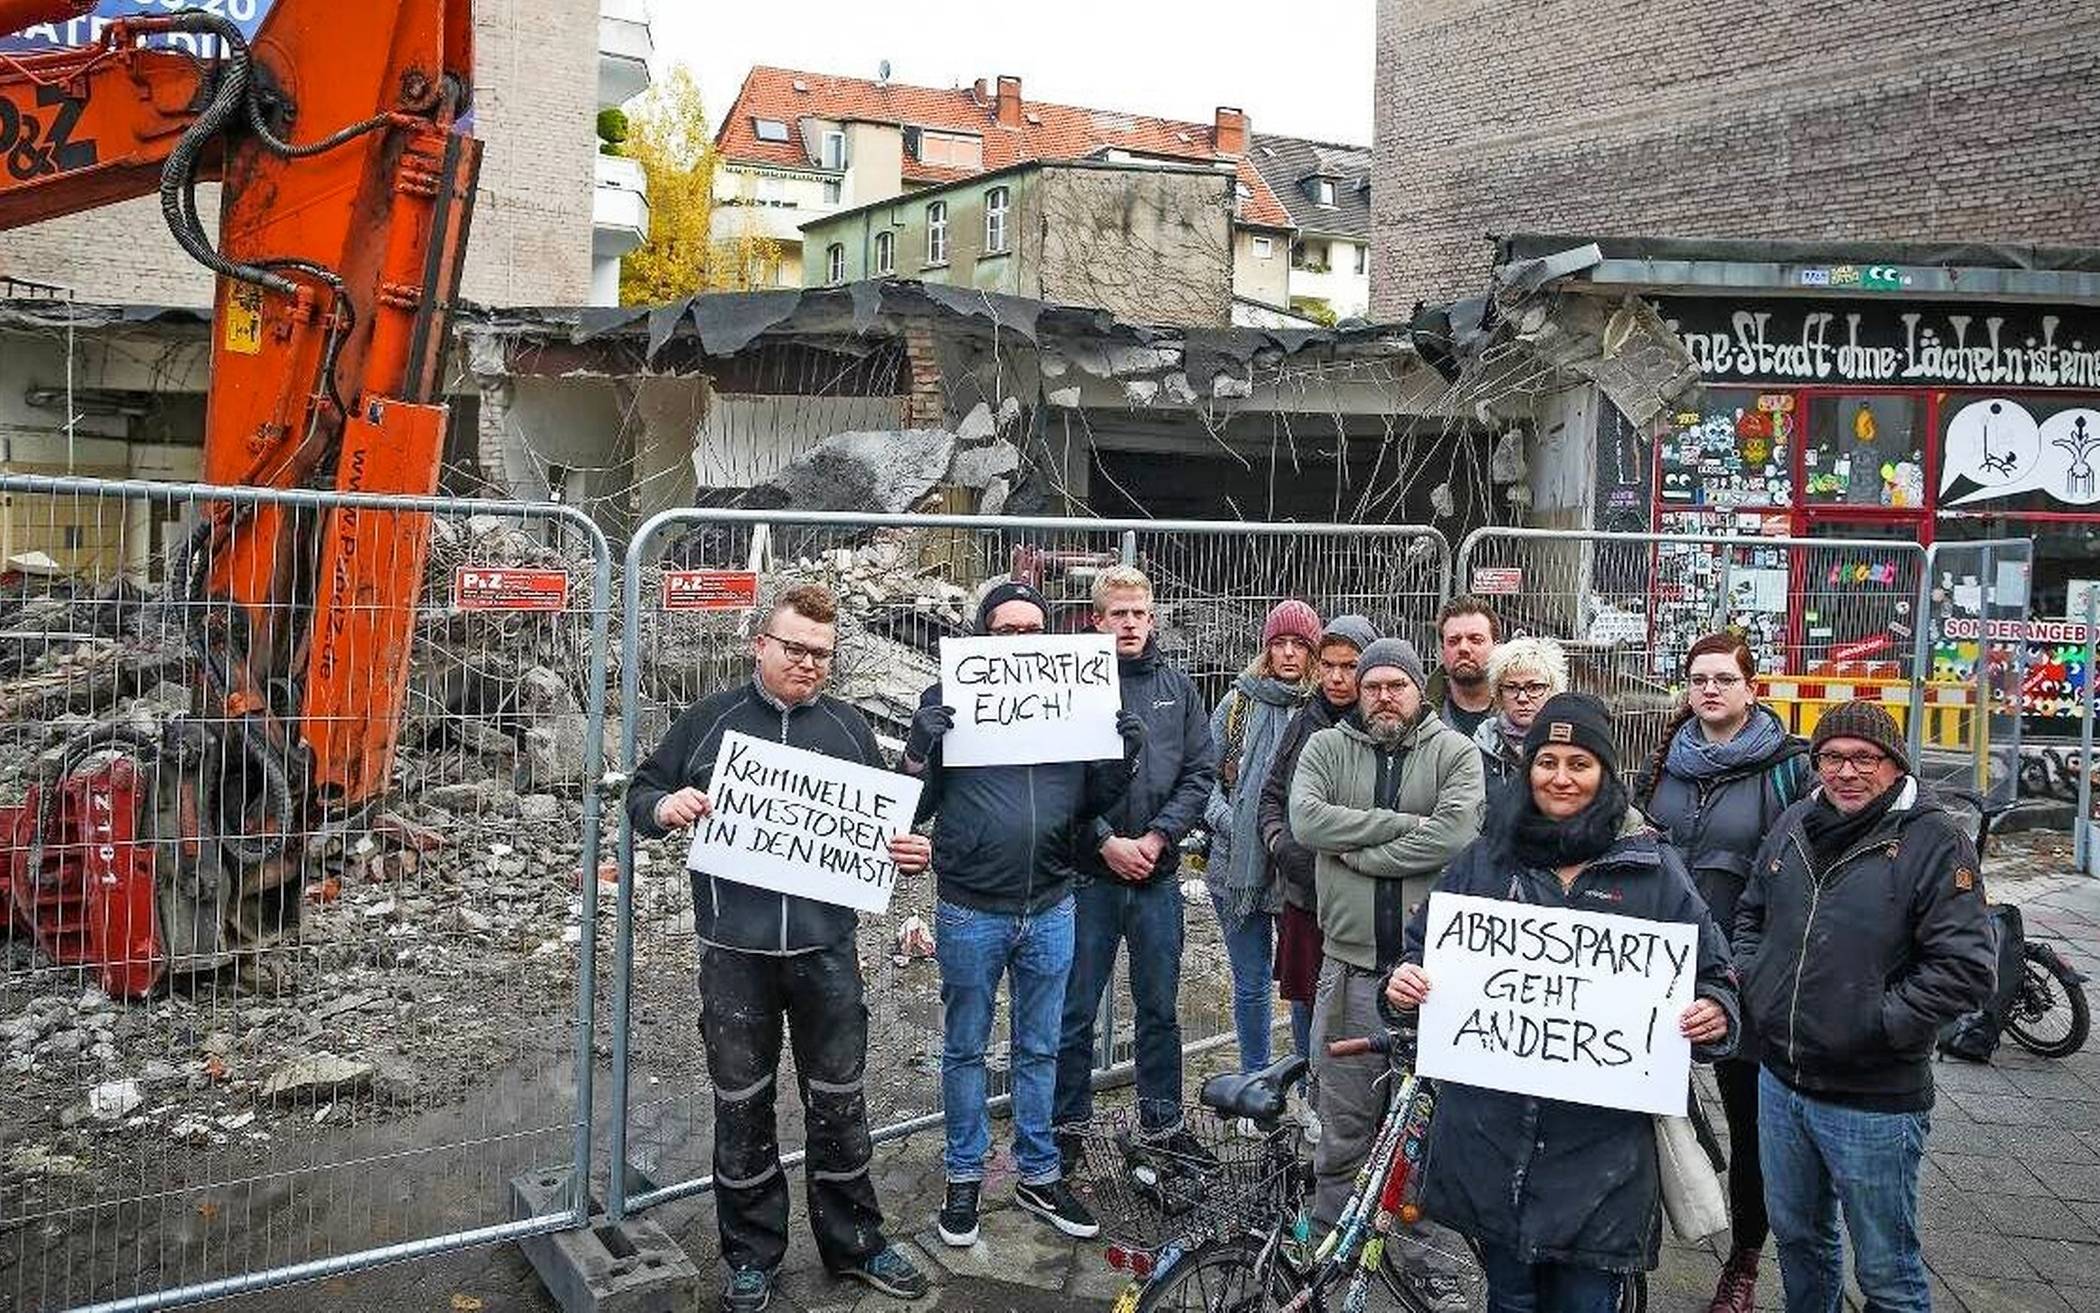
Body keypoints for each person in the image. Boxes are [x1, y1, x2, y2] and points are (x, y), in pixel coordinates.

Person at [627, 584, 932, 1313]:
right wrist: (665, 808)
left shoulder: (850, 727)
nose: (807, 663)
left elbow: (878, 831)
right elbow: (642, 792)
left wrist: (909, 849)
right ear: (759, 644)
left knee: (838, 1100)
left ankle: (856, 1243)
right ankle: (751, 1257)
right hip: (735, 953)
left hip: (828, 949)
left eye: (821, 653)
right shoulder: (708, 722)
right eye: (793, 647)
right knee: (742, 1104)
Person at [1387, 692, 1739, 1313]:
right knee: (1510, 1301)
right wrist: (1406, 984)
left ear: (1605, 774)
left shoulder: (1653, 871)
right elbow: (1419, 954)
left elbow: (1716, 977)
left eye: (1579, 763)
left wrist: (1713, 1012)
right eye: (1547, 761)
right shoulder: (1485, 863)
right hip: (1493, 1148)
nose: (1561, 777)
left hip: (1601, 1163)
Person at [901, 580, 1145, 1249]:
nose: (1017, 639)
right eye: (1003, 630)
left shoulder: (1074, 699)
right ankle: (963, 1178)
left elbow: (1089, 797)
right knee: (966, 1049)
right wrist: (920, 748)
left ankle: (1038, 1173)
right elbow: (911, 808)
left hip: (1052, 904)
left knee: (1042, 1047)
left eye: (1029, 628)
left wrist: (1123, 757)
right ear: (983, 635)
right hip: (970, 907)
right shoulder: (943, 699)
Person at [1734, 701, 1996, 1313]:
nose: (1846, 772)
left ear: (1894, 764)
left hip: (1872, 1096)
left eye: (1863, 758)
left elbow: (1965, 969)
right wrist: (1757, 982)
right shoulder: (1797, 821)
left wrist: (1876, 1025)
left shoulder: (1935, 840)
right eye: (1830, 757)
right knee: (1799, 1243)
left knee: (1887, 1269)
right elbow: (1752, 910)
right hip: (1781, 1080)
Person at [1289, 637, 1483, 1313]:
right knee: (1341, 1122)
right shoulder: (1326, 748)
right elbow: (1306, 820)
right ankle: (1327, 1250)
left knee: (1427, 1132)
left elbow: (1455, 836)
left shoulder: (1455, 752)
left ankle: (1423, 1261)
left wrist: (1361, 851)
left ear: (1417, 689)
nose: (1383, 696)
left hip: (1429, 978)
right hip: (1348, 967)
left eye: (1396, 684)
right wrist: (1403, 828)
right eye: (1372, 686)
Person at [1639, 632, 1808, 1313]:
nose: (1710, 689)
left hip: (1744, 976)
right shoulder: (1666, 763)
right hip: (1656, 970)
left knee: (1749, 1124)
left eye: (1724, 678)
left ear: (1751, 686)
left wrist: (1755, 967)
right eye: (1699, 678)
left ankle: (1743, 1256)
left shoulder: (1787, 767)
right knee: (1643, 1109)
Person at [1053, 567, 1217, 1162]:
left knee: (1159, 1011)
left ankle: (1163, 1125)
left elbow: (1201, 771)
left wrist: (1158, 835)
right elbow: (1057, 774)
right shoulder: (1069, 687)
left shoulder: (1179, 688)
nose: (1129, 623)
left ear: (1153, 618)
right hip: (1089, 880)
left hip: (1157, 877)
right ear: (1096, 618)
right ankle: (1066, 1131)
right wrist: (1102, 842)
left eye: (1139, 613)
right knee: (1075, 1013)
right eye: (1117, 613)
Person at [1201, 599, 1321, 1075]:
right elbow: (1204, 776)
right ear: (1266, 648)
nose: (1288, 654)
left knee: (1302, 983)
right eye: (1279, 643)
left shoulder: (1320, 708)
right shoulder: (1239, 704)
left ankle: (1304, 1081)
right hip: (1237, 866)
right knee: (1250, 983)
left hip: (1299, 869)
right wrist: (1233, 823)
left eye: (1299, 644)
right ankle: (1254, 1080)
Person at [1258, 613, 1379, 1087]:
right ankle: (1311, 1094)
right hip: (1304, 894)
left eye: (1348, 666)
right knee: (1307, 1000)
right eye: (1328, 664)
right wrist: (1279, 844)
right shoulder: (1304, 721)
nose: (1335, 677)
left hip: (1360, 899)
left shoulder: (1382, 727)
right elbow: (1271, 796)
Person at [1473, 636, 1569, 808]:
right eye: (1511, 687)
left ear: (1552, 690)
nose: (1522, 698)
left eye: (1534, 687)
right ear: (1499, 692)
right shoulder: (1482, 746)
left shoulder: (1570, 741)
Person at [1429, 595, 1502, 740]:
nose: (1463, 648)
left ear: (1496, 646)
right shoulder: (1419, 714)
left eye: (1476, 640)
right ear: (1442, 649)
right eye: (1453, 641)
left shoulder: (1521, 709)